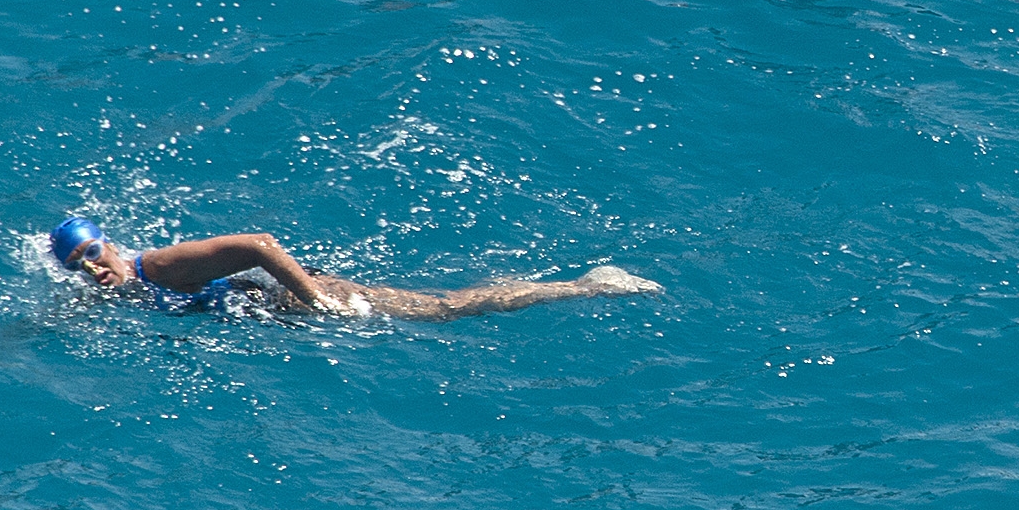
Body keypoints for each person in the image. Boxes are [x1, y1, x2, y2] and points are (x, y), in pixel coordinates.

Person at [46, 215, 660, 321]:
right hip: (284, 318)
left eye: (93, 255)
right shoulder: (110, 295)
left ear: (111, 244)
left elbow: (260, 244)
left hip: (304, 305)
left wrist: (314, 300)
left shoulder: (159, 266)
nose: (92, 270)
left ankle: (586, 287)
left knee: (447, 308)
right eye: (78, 267)